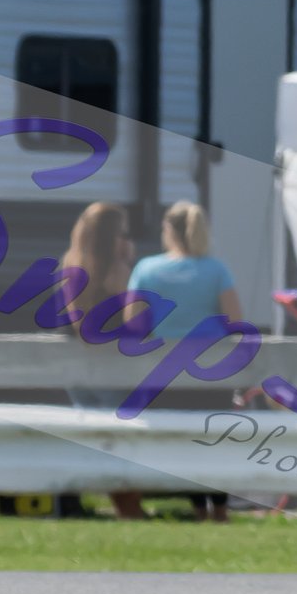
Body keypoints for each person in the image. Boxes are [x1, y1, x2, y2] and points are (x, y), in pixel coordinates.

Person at [128, 201, 244, 522]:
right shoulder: (216, 270)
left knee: (184, 440)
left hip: (164, 374)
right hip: (210, 371)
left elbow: (133, 323)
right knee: (214, 441)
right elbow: (236, 320)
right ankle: (220, 511)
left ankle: (198, 509)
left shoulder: (146, 269)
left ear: (168, 230)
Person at [62, 202, 148, 521]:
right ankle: (128, 508)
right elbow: (136, 326)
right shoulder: (119, 272)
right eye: (123, 233)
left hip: (77, 374)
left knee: (93, 438)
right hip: (114, 373)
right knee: (122, 441)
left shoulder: (71, 267)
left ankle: (112, 505)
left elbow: (77, 329)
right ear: (112, 237)